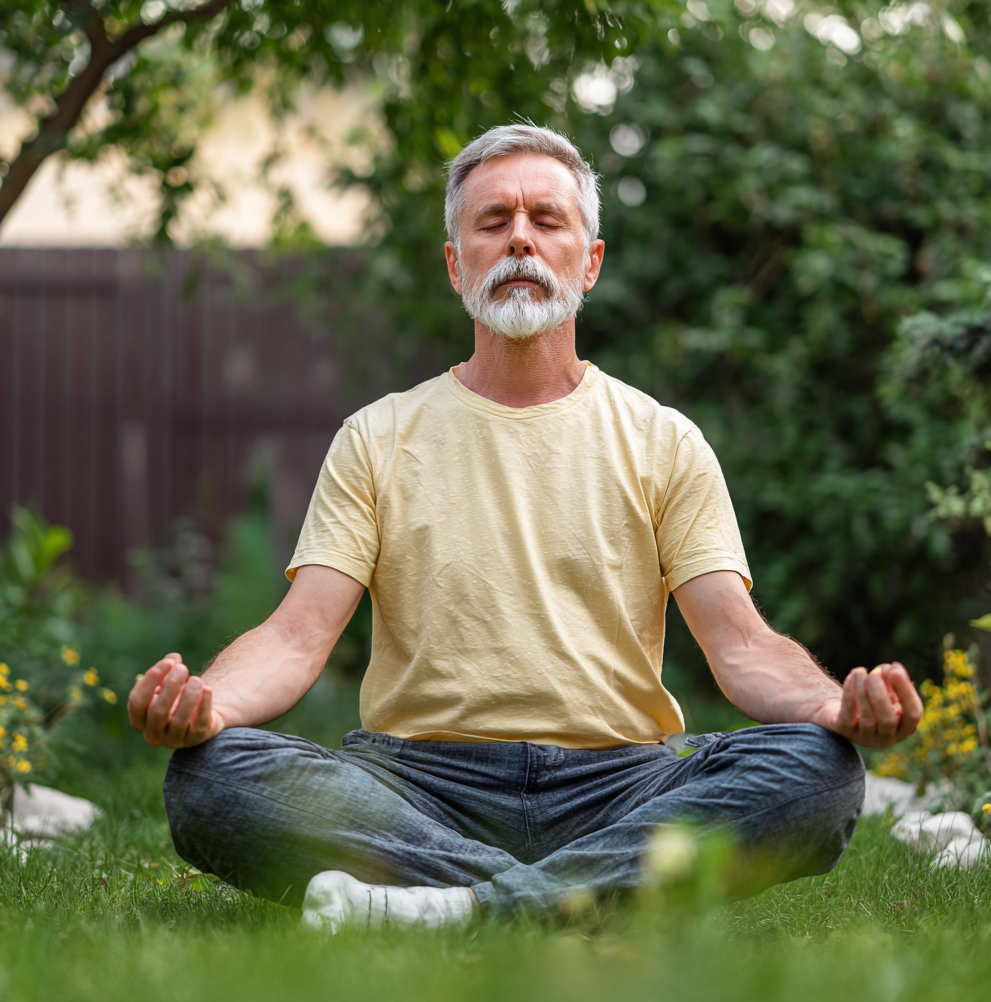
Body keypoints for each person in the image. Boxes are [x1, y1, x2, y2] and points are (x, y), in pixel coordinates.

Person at [129, 125, 923, 930]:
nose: (519, 238)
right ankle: (581, 894)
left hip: (622, 784)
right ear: (455, 264)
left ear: (590, 261)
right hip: (419, 788)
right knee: (212, 774)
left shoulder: (665, 441)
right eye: (492, 221)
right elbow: (298, 639)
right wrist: (210, 703)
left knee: (817, 768)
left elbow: (742, 647)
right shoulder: (377, 436)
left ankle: (450, 906)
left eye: (547, 220)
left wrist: (832, 708)